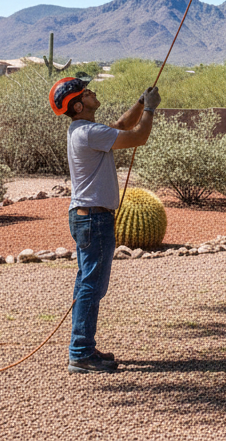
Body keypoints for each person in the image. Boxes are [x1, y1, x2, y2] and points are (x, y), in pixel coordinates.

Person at [48, 75, 162, 374]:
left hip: (88, 217)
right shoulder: (88, 133)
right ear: (77, 105)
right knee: (91, 286)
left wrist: (140, 103)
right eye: (86, 92)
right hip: (94, 218)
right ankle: (81, 354)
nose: (92, 93)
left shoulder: (84, 130)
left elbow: (123, 125)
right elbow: (138, 136)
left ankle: (82, 347)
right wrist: (150, 109)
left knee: (88, 284)